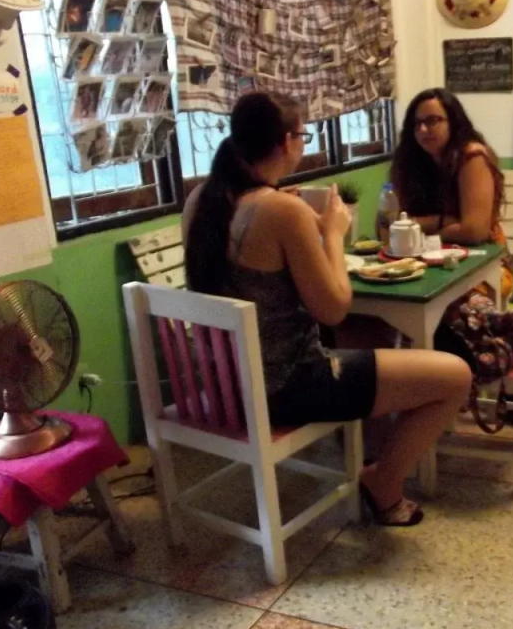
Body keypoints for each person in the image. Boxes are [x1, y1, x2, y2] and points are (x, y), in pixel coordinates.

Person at [182, 91, 472, 527]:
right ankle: (384, 482)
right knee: (455, 376)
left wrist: (290, 210)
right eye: (304, 135)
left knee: (369, 342)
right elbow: (334, 309)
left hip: (223, 386)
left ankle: (370, 450)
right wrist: (332, 233)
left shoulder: (201, 200)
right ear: (286, 141)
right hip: (285, 388)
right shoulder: (282, 211)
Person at [389, 87, 513, 297]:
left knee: (456, 301)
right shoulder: (411, 162)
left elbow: (474, 232)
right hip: (428, 264)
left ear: (453, 122)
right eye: (416, 123)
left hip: (486, 265)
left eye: (432, 121)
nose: (423, 129)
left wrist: (425, 229)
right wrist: (446, 222)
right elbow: (393, 224)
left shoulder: (471, 157)